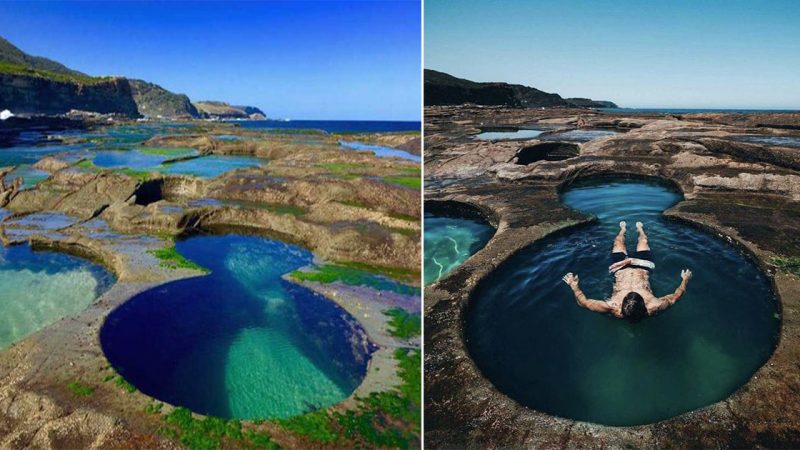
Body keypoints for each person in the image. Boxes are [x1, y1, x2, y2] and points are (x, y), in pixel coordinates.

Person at [562, 221, 692, 322]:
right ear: (643, 304)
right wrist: (685, 280)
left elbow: (584, 303)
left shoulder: (612, 306)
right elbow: (675, 297)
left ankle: (623, 230)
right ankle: (638, 230)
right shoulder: (654, 305)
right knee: (644, 241)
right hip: (643, 268)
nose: (632, 292)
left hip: (619, 268)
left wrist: (574, 286)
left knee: (618, 243)